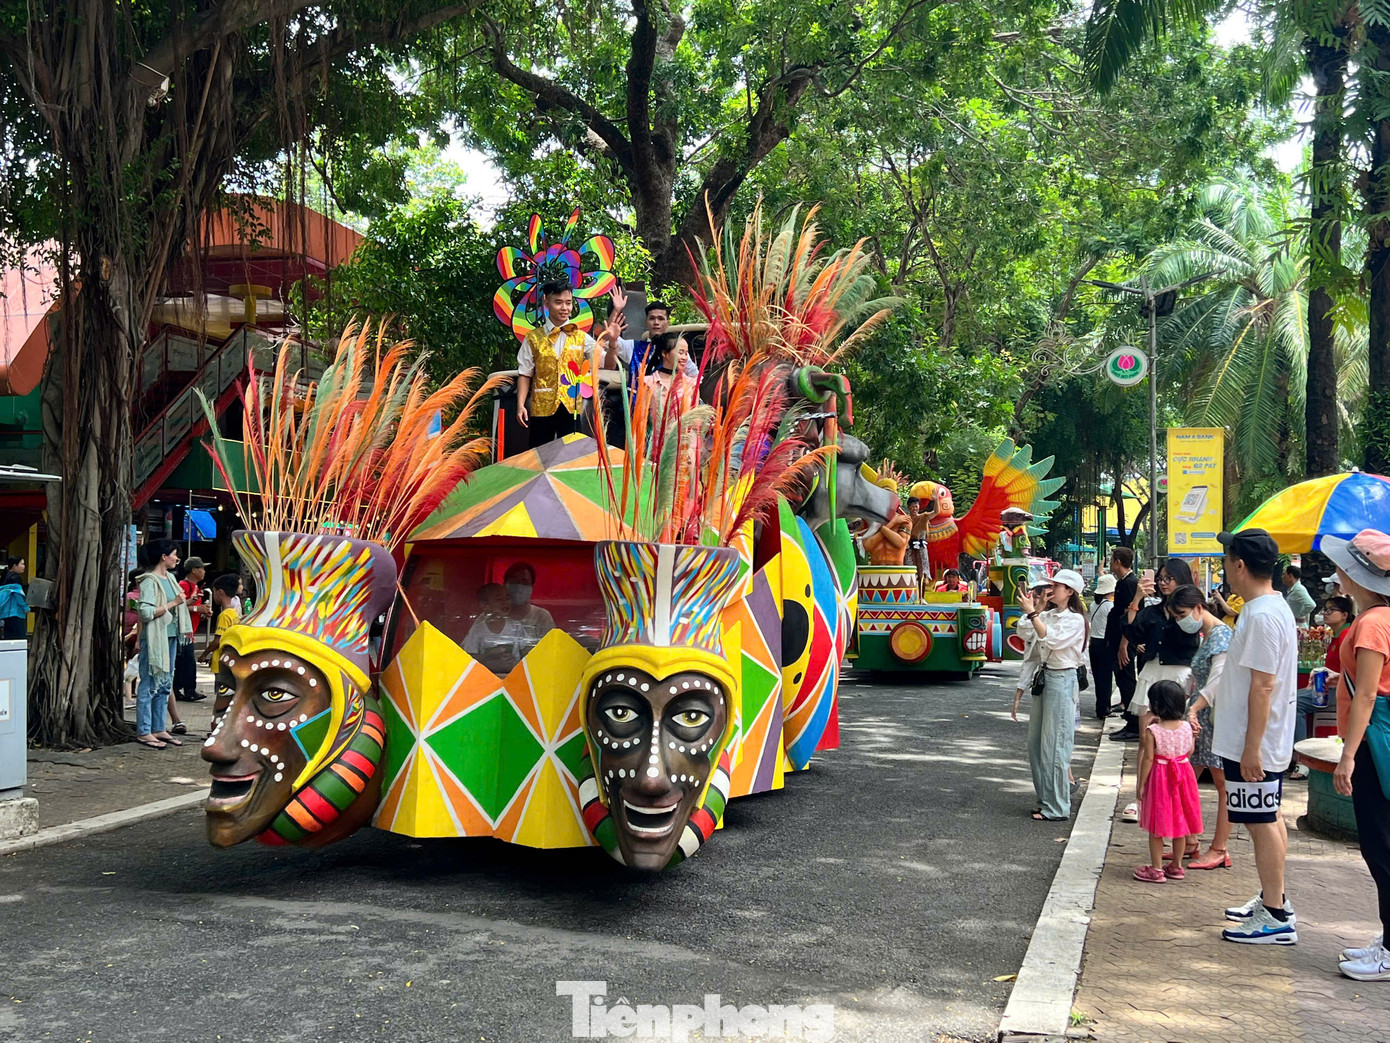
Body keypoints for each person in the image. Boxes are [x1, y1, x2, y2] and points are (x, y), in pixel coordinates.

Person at [1213, 528, 1299, 945]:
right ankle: (1274, 896)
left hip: (1255, 742)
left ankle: (1276, 914)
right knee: (1267, 817)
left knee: (1261, 821)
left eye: (1228, 559)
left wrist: (1251, 748)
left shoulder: (1263, 615)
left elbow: (1263, 686)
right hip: (1256, 739)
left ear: (1240, 565)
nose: (1226, 566)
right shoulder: (1263, 608)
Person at [1321, 529, 1390, 981]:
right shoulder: (1377, 617)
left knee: (1380, 845)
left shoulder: (1371, 623)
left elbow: (1366, 695)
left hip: (1373, 742)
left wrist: (1347, 756)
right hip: (1375, 737)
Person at [1017, 569, 1089, 822]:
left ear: (1070, 591)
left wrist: (1034, 613)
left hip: (1062, 678)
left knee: (1056, 745)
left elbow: (1053, 640)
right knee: (1036, 744)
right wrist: (1036, 608)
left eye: (1056, 586)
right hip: (1046, 677)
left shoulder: (1075, 620)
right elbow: (1024, 632)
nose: (1051, 590)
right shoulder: (1047, 613)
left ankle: (1057, 806)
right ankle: (1046, 799)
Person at [515, 281, 613, 449]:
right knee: (539, 456)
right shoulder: (533, 338)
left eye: (568, 303)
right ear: (546, 302)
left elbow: (608, 364)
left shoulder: (582, 337)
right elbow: (525, 373)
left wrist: (615, 343)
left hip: (571, 406)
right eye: (558, 302)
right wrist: (520, 404)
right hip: (541, 406)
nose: (564, 308)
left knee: (571, 455)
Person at [1133, 680, 1205, 882]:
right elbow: (1188, 752)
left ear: (1156, 704)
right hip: (1184, 776)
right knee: (1180, 823)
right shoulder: (1186, 728)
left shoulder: (1152, 731)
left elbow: (1148, 759)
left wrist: (1141, 785)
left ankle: (1156, 869)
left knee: (1157, 823)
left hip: (1160, 776)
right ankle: (1176, 865)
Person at [1184, 596, 1236, 871]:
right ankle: (1189, 841)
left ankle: (1219, 848)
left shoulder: (1221, 637)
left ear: (1198, 608)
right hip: (1200, 716)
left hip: (1215, 716)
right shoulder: (1209, 636)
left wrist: (1194, 708)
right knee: (1186, 777)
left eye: (1183, 613)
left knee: (1222, 783)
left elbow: (1217, 679)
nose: (1181, 620)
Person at [134, 540, 192, 750]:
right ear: (163, 556)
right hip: (154, 639)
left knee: (165, 684)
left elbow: (177, 603)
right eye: (175, 554)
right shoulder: (149, 580)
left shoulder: (170, 578)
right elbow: (146, 612)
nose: (177, 558)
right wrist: (173, 603)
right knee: (149, 684)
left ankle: (159, 728)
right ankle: (144, 730)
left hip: (170, 636)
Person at [1126, 564, 1201, 723]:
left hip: (1180, 672)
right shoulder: (1153, 611)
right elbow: (1133, 632)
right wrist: (1137, 599)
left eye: (1168, 578)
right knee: (1147, 733)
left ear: (1181, 578)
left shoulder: (1193, 609)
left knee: (1176, 734)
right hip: (1153, 670)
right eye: (1160, 579)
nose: (1163, 583)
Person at [1292, 594, 1355, 752]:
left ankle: (1301, 757)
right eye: (1325, 610)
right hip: (1330, 687)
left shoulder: (1345, 635)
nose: (1326, 613)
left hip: (1339, 690)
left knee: (1294, 703)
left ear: (1344, 615)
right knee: (1290, 697)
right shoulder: (1336, 636)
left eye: (1331, 610)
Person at [606, 291, 699, 388]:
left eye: (660, 318)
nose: (656, 322)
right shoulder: (633, 347)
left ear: (668, 323)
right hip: (637, 402)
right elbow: (610, 335)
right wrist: (616, 310)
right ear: (646, 322)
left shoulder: (677, 350)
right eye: (652, 318)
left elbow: (695, 376)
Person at [1107, 548, 1142, 741]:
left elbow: (1131, 615)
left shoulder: (1130, 584)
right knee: (1122, 680)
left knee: (1127, 681)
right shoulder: (1122, 583)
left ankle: (1134, 724)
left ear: (1118, 561)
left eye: (1112, 559)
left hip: (1124, 641)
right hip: (1117, 639)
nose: (1110, 563)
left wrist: (1124, 644)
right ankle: (1129, 720)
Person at [462, 582, 524, 676]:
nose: (505, 602)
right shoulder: (478, 629)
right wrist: (489, 655)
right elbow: (469, 657)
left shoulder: (516, 626)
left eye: (507, 598)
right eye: (499, 599)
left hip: (513, 676)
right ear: (485, 606)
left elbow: (526, 651)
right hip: (487, 678)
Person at [502, 562, 556, 661]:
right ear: (504, 584)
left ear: (532, 587)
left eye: (524, 583)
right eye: (514, 581)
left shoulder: (542, 616)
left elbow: (551, 652)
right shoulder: (492, 615)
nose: (518, 587)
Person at [174, 556, 208, 701]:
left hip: (189, 630)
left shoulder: (195, 587)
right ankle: (187, 690)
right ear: (194, 570)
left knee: (184, 662)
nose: (204, 571)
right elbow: (178, 606)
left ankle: (182, 690)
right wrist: (197, 608)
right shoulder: (183, 585)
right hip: (183, 631)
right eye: (202, 568)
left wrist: (202, 612)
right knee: (187, 662)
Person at [643, 332, 700, 409]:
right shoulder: (647, 383)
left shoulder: (691, 384)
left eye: (686, 353)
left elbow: (696, 418)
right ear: (664, 353)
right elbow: (641, 417)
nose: (685, 357)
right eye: (680, 352)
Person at [1089, 574, 1117, 719]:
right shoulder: (1110, 606)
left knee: (1098, 678)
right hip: (1105, 644)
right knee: (1106, 678)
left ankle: (1101, 707)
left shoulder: (1093, 605)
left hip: (1093, 644)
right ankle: (1104, 709)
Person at [201, 573, 243, 666]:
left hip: (221, 662)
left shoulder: (224, 615)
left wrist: (204, 655)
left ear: (220, 592)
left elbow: (218, 641)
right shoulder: (234, 613)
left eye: (214, 592)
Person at [0, 555, 26, 640]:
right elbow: (18, 595)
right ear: (15, 566)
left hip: (4, 614)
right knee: (19, 639)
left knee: (9, 640)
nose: (24, 566)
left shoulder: (4, 577)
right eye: (22, 564)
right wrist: (25, 607)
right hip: (15, 612)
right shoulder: (15, 578)